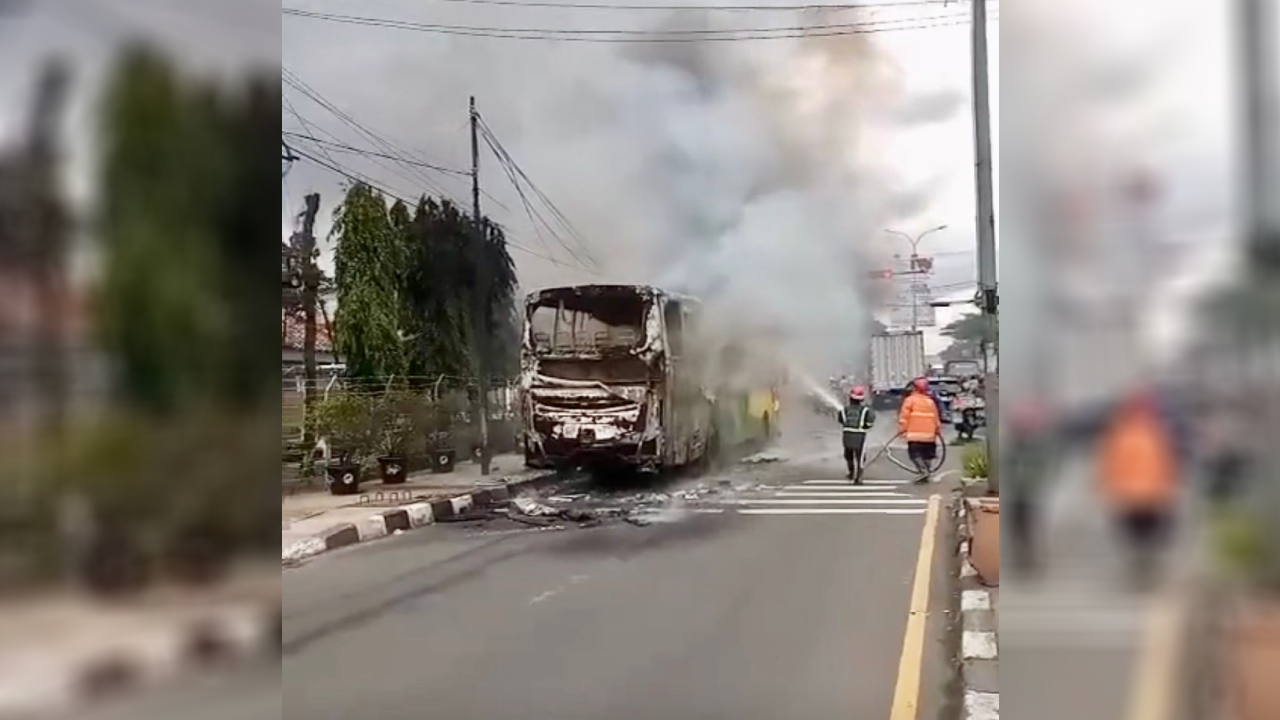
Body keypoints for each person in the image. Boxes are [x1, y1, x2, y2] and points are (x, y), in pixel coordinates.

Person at [1096, 389, 1181, 589]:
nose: (1144, 414)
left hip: (1145, 494)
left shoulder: (1145, 434)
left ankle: (1143, 568)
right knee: (1141, 535)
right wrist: (1108, 486)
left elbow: (1166, 463)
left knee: (1141, 535)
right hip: (1140, 494)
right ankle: (1142, 568)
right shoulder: (1137, 434)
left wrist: (1169, 486)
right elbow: (1110, 463)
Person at [898, 377, 942, 484]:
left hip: (914, 436)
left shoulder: (910, 401)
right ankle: (926, 472)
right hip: (929, 437)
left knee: (915, 455)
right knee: (927, 455)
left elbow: (904, 417)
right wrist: (937, 431)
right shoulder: (930, 402)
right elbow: (936, 418)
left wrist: (902, 430)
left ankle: (923, 472)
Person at [837, 385, 876, 483]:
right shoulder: (866, 410)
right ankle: (859, 477)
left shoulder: (843, 410)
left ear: (850, 398)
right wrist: (865, 426)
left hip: (847, 435)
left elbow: (841, 420)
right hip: (860, 435)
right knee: (860, 456)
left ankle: (851, 472)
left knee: (848, 455)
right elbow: (869, 422)